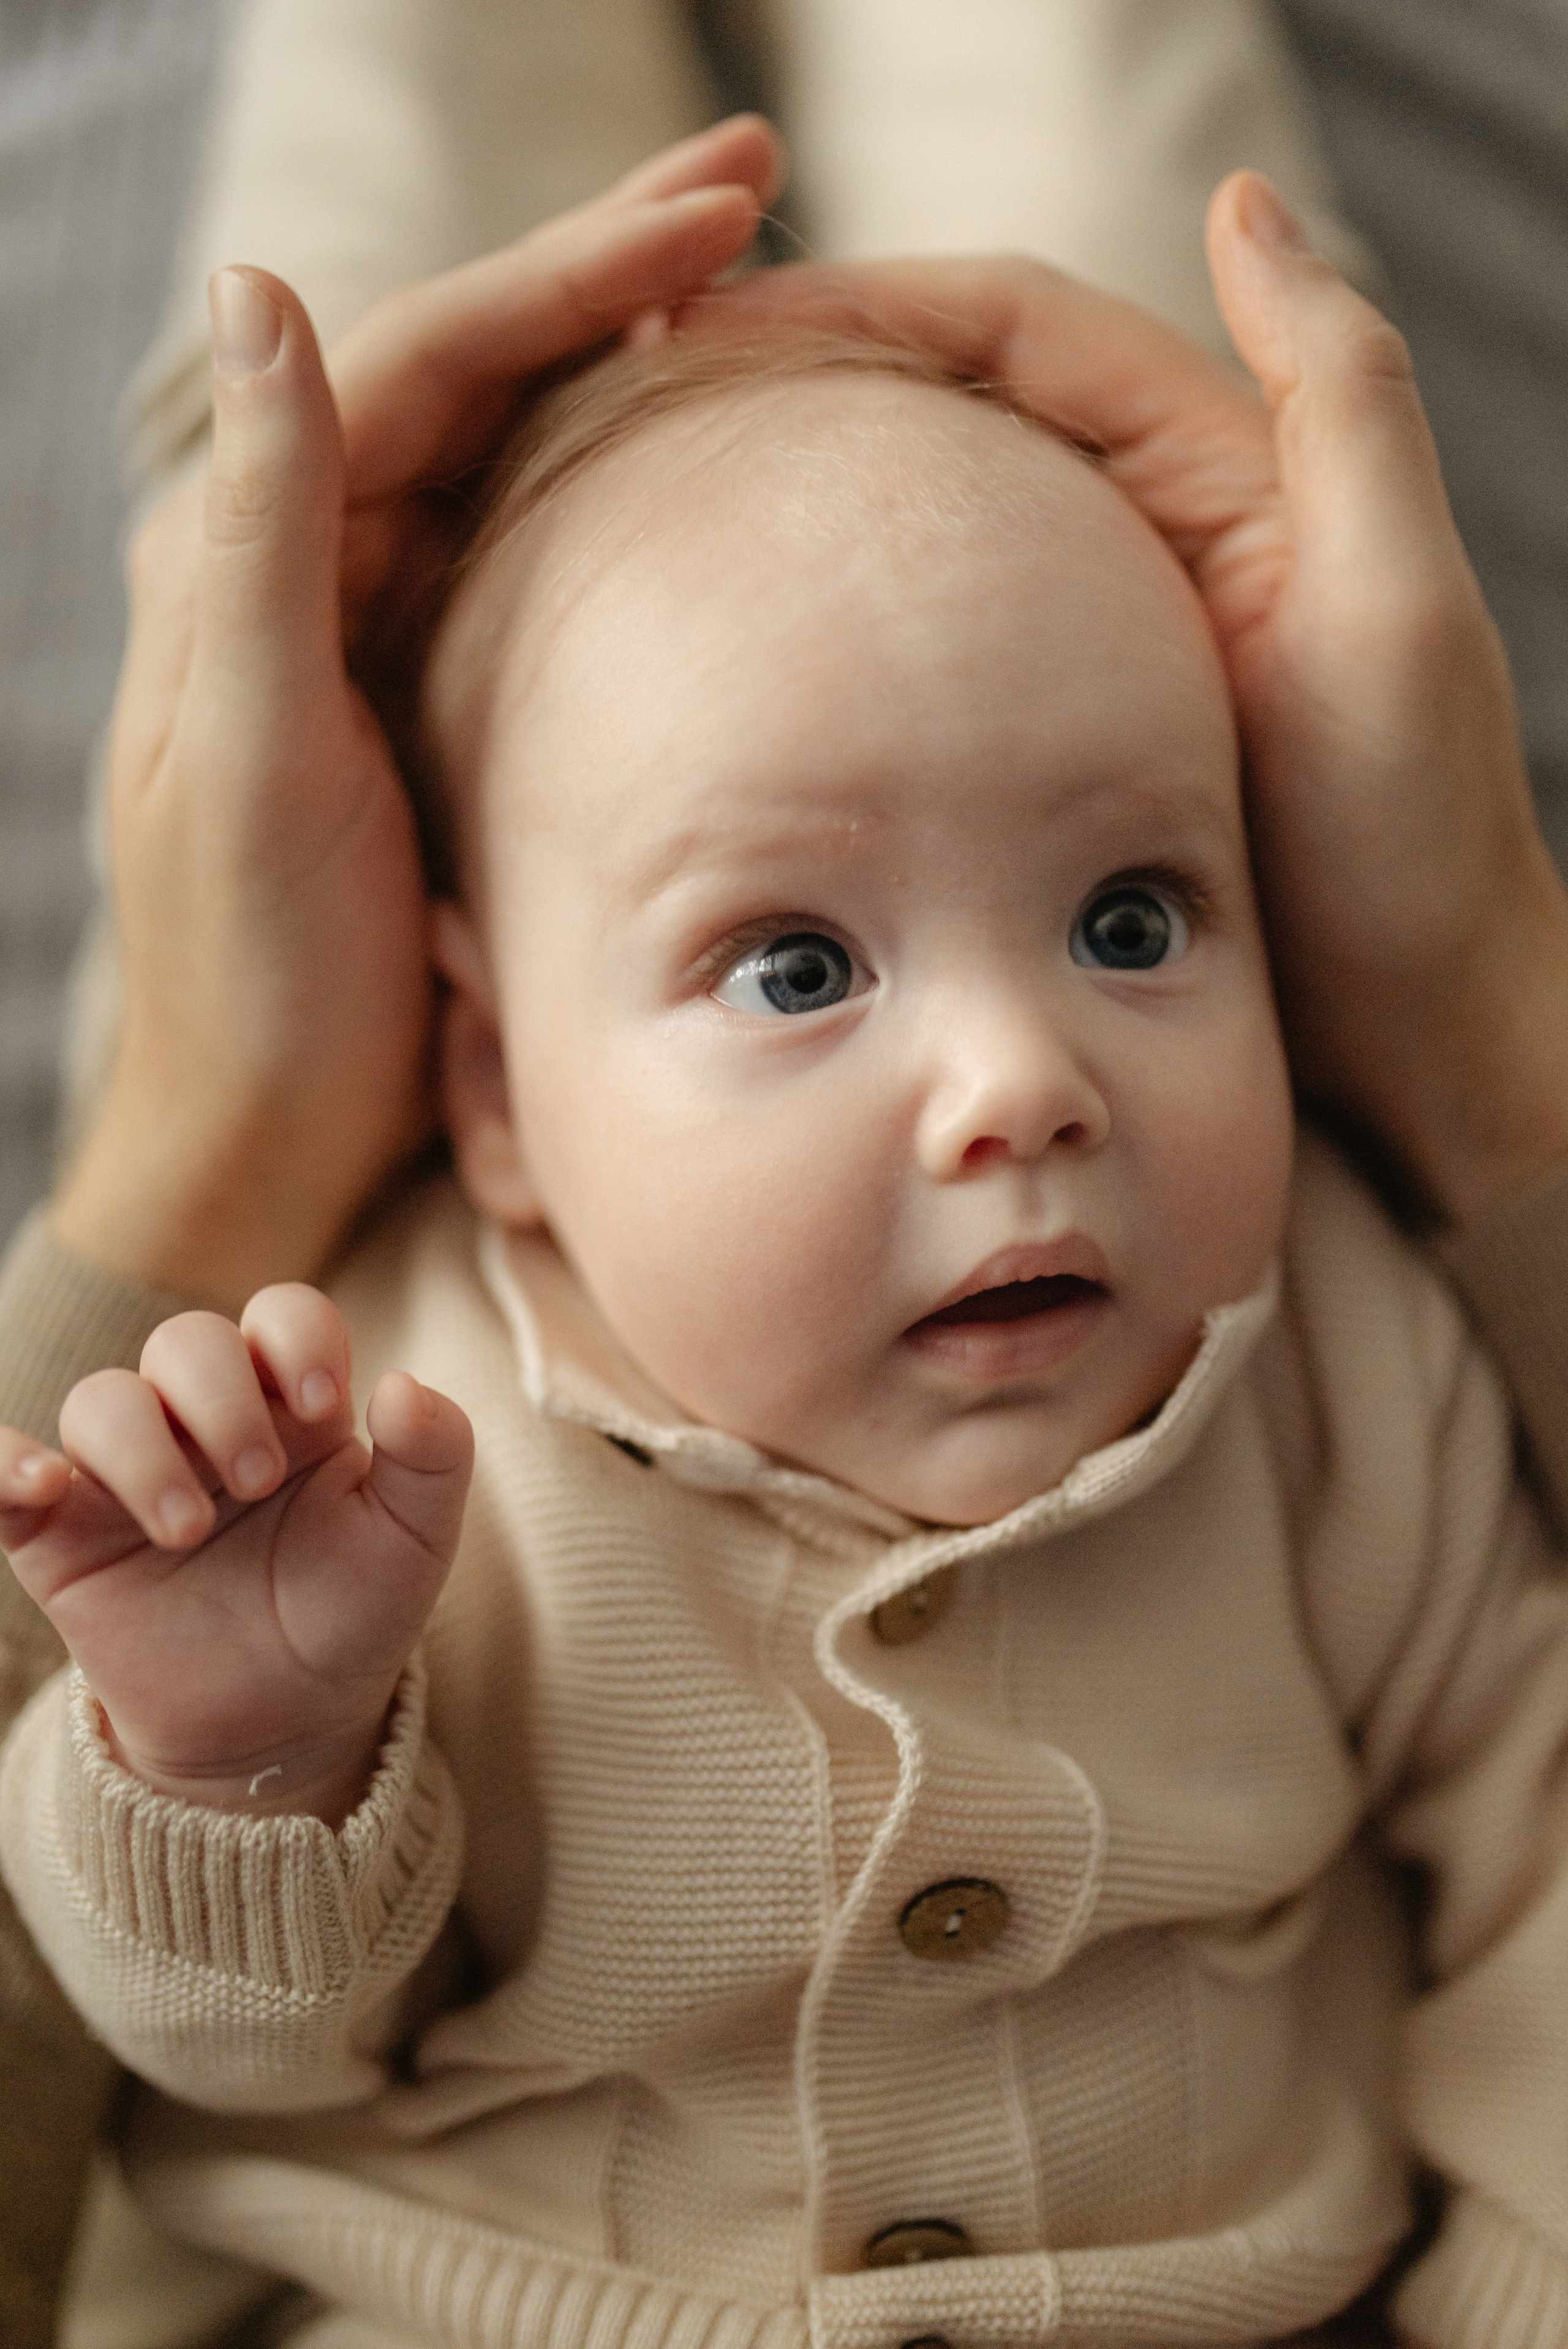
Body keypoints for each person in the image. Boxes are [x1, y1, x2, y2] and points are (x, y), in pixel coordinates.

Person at [6, 156, 1568, 2349]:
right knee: (350, 285)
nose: (1025, 1084)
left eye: (1136, 919)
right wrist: (241, 1761)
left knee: (1126, 241)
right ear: (489, 1084)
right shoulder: (360, 1433)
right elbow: (240, 2049)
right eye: (796, 964)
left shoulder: (1342, 1367)